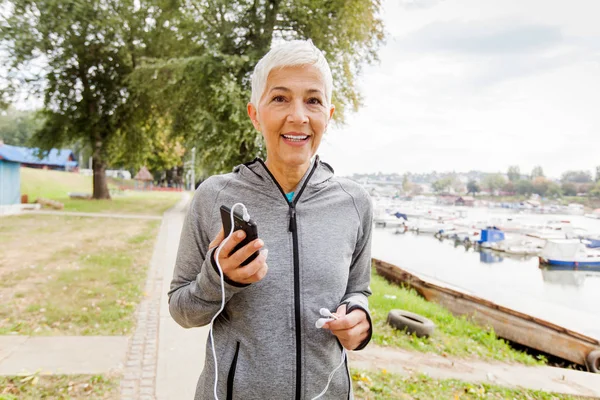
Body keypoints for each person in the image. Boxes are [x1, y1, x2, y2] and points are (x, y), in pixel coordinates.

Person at [168, 39, 373, 400]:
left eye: (313, 100)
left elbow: (359, 290)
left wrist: (360, 318)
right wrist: (221, 278)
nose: (298, 116)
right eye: (280, 98)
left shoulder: (354, 203)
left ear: (329, 113)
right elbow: (182, 311)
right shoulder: (214, 197)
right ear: (255, 114)